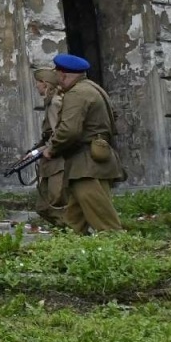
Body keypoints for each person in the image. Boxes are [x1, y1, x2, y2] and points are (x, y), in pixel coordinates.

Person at [43, 54, 126, 234]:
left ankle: (123, 252)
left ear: (63, 75)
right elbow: (114, 117)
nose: (56, 80)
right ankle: (63, 253)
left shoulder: (76, 93)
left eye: (57, 75)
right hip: (94, 160)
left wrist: (52, 148)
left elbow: (69, 130)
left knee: (107, 225)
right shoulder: (93, 88)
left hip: (86, 165)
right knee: (73, 223)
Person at [32, 67, 68, 226]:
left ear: (45, 84)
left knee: (56, 201)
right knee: (43, 206)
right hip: (52, 161)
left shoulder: (55, 103)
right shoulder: (50, 102)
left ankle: (73, 233)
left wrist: (44, 150)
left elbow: (59, 133)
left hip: (57, 161)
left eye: (38, 83)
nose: (36, 86)